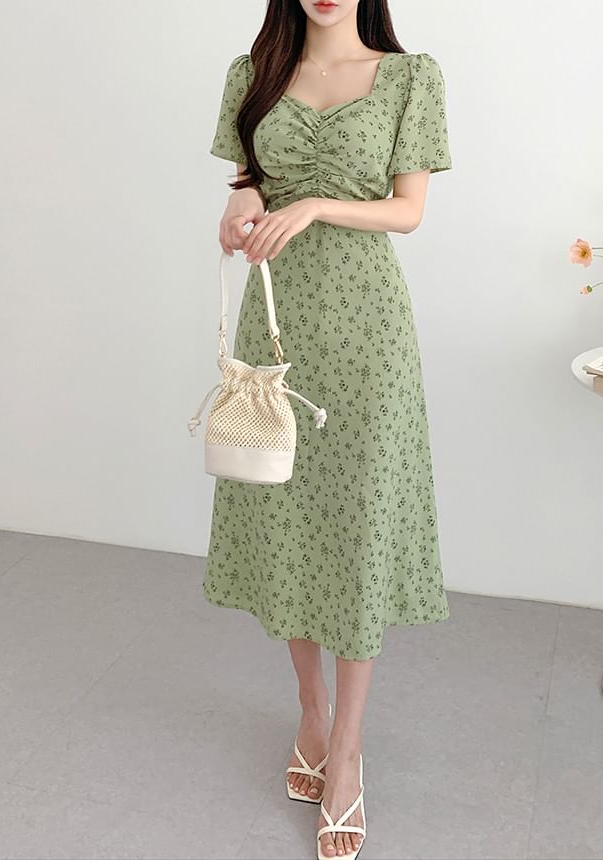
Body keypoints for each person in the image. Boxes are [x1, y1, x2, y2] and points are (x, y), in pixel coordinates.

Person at [204, 1, 452, 857]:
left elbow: (408, 210)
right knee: (287, 516)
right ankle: (311, 711)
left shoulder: (410, 78)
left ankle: (347, 749)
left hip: (366, 331)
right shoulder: (254, 74)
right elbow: (247, 183)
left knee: (356, 522)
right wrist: (241, 211)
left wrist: (313, 206)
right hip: (277, 323)